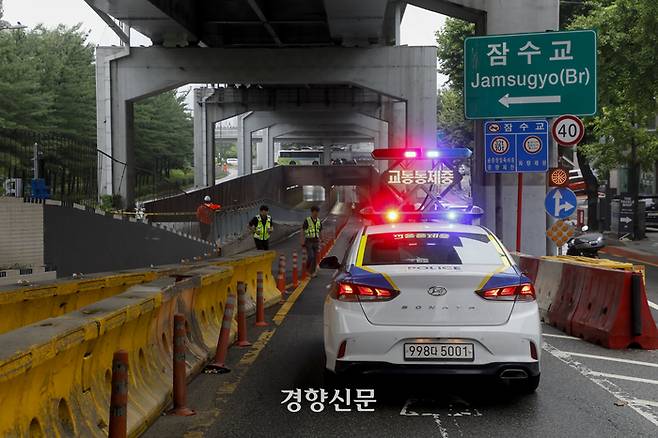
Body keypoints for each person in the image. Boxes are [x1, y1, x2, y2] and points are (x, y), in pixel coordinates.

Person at [301, 205, 322, 277]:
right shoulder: (307, 220)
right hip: (309, 241)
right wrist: (302, 241)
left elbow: (320, 231)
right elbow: (303, 231)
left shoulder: (319, 221)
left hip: (316, 241)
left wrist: (321, 240)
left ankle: (312, 272)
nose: (316, 214)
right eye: (314, 212)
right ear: (312, 212)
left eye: (317, 212)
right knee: (311, 256)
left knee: (315, 257)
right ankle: (307, 268)